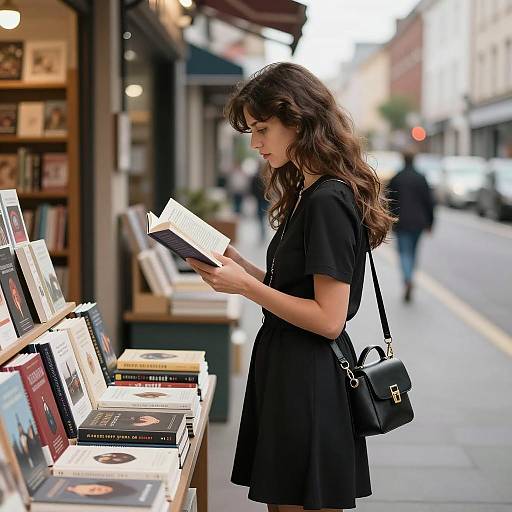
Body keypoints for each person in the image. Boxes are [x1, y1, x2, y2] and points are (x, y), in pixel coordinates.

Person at [186, 62, 394, 512]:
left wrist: (245, 287)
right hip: (290, 372)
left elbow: (327, 319)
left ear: (297, 121)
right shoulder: (309, 190)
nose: (256, 144)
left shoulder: (327, 200)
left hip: (310, 379)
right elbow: (299, 291)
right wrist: (243, 268)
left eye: (262, 129)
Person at [387, 149, 434, 303]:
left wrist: (389, 219)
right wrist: (430, 222)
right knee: (413, 251)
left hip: (401, 221)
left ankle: (407, 279)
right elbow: (429, 202)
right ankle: (410, 276)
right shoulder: (421, 178)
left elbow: (389, 201)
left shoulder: (396, 178)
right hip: (419, 222)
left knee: (403, 253)